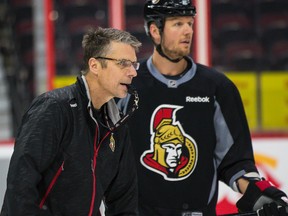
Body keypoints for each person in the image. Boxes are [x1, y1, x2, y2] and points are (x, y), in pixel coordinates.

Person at [117, 0, 288, 215]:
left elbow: (234, 161)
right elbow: (103, 151)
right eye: (178, 24)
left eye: (190, 23)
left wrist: (261, 192)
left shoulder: (217, 88)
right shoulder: (126, 84)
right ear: (155, 31)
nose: (187, 31)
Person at [1, 27, 141, 216]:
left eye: (134, 64)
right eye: (123, 63)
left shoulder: (116, 124)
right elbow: (21, 185)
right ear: (95, 66)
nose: (133, 72)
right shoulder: (54, 108)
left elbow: (124, 200)